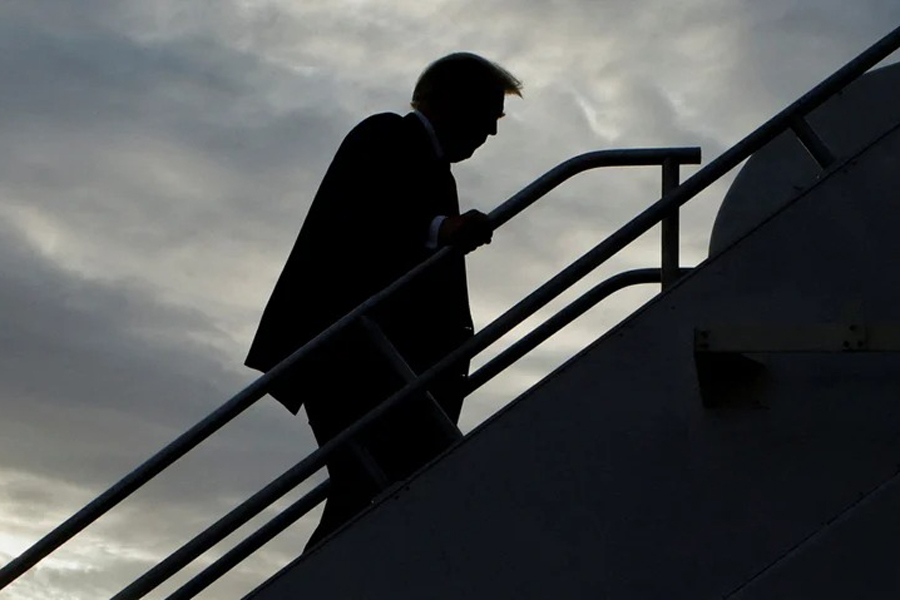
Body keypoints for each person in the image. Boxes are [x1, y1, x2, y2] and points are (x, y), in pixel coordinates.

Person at [245, 52, 522, 550]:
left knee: (376, 490)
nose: (492, 132)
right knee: (371, 488)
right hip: (354, 360)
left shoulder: (429, 164)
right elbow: (356, 223)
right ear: (450, 100)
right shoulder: (386, 136)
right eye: (488, 113)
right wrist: (442, 229)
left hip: (379, 362)